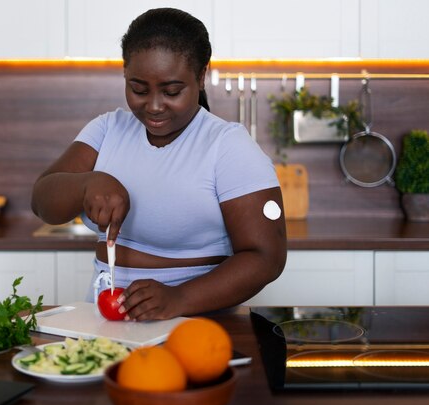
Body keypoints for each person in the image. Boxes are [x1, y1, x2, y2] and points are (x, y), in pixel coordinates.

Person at [32, 7, 287, 320]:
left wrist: (178, 298)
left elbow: (266, 258)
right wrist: (86, 184)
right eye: (138, 89)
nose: (153, 106)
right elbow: (42, 202)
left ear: (201, 75)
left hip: (196, 323)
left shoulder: (227, 146)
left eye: (172, 91)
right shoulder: (108, 129)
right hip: (102, 316)